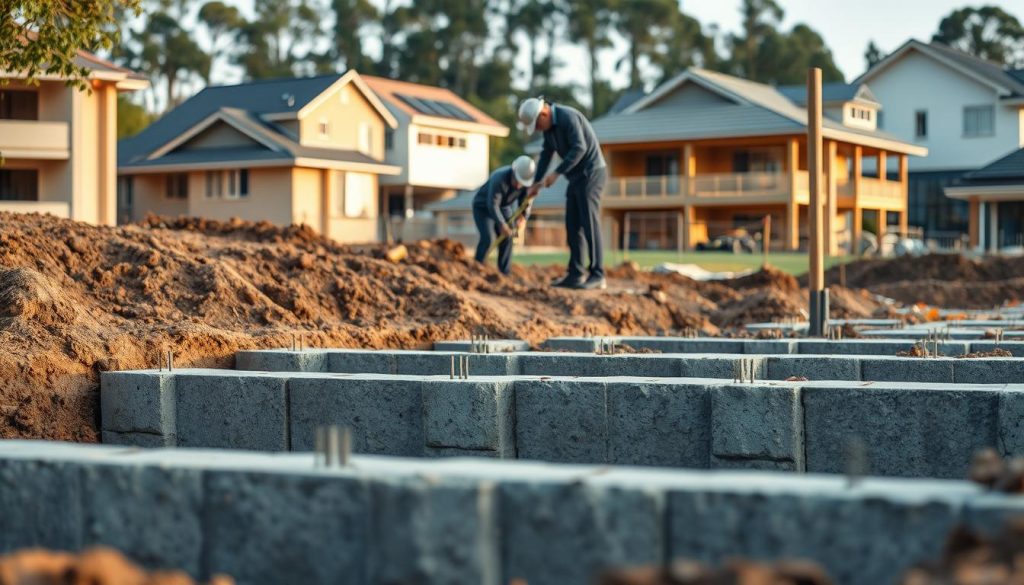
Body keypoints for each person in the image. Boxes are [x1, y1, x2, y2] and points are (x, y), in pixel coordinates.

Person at [518, 97, 607, 290]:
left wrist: (557, 173)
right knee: (572, 224)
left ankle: (598, 274)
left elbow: (579, 148)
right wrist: (534, 184)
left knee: (589, 223)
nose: (538, 129)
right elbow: (545, 156)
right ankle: (575, 274)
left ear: (544, 113)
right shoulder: (549, 131)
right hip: (575, 177)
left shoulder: (568, 117)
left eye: (537, 124)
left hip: (591, 174)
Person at [472, 155, 537, 275]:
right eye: (517, 181)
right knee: (488, 238)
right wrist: (502, 224)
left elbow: (525, 202)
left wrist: (523, 217)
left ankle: (504, 273)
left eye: (522, 183)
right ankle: (477, 268)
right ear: (513, 171)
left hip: (504, 207)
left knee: (508, 237)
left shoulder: (526, 184)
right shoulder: (499, 178)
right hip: (484, 207)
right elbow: (492, 204)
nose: (518, 186)